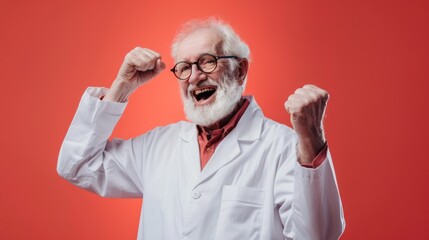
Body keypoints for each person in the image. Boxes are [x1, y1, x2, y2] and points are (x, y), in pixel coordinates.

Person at [57, 18, 345, 240]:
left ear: (241, 69)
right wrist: (121, 87)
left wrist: (312, 138)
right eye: (183, 67)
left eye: (208, 62)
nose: (194, 76)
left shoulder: (285, 147)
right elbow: (77, 165)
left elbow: (317, 236)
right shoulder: (159, 146)